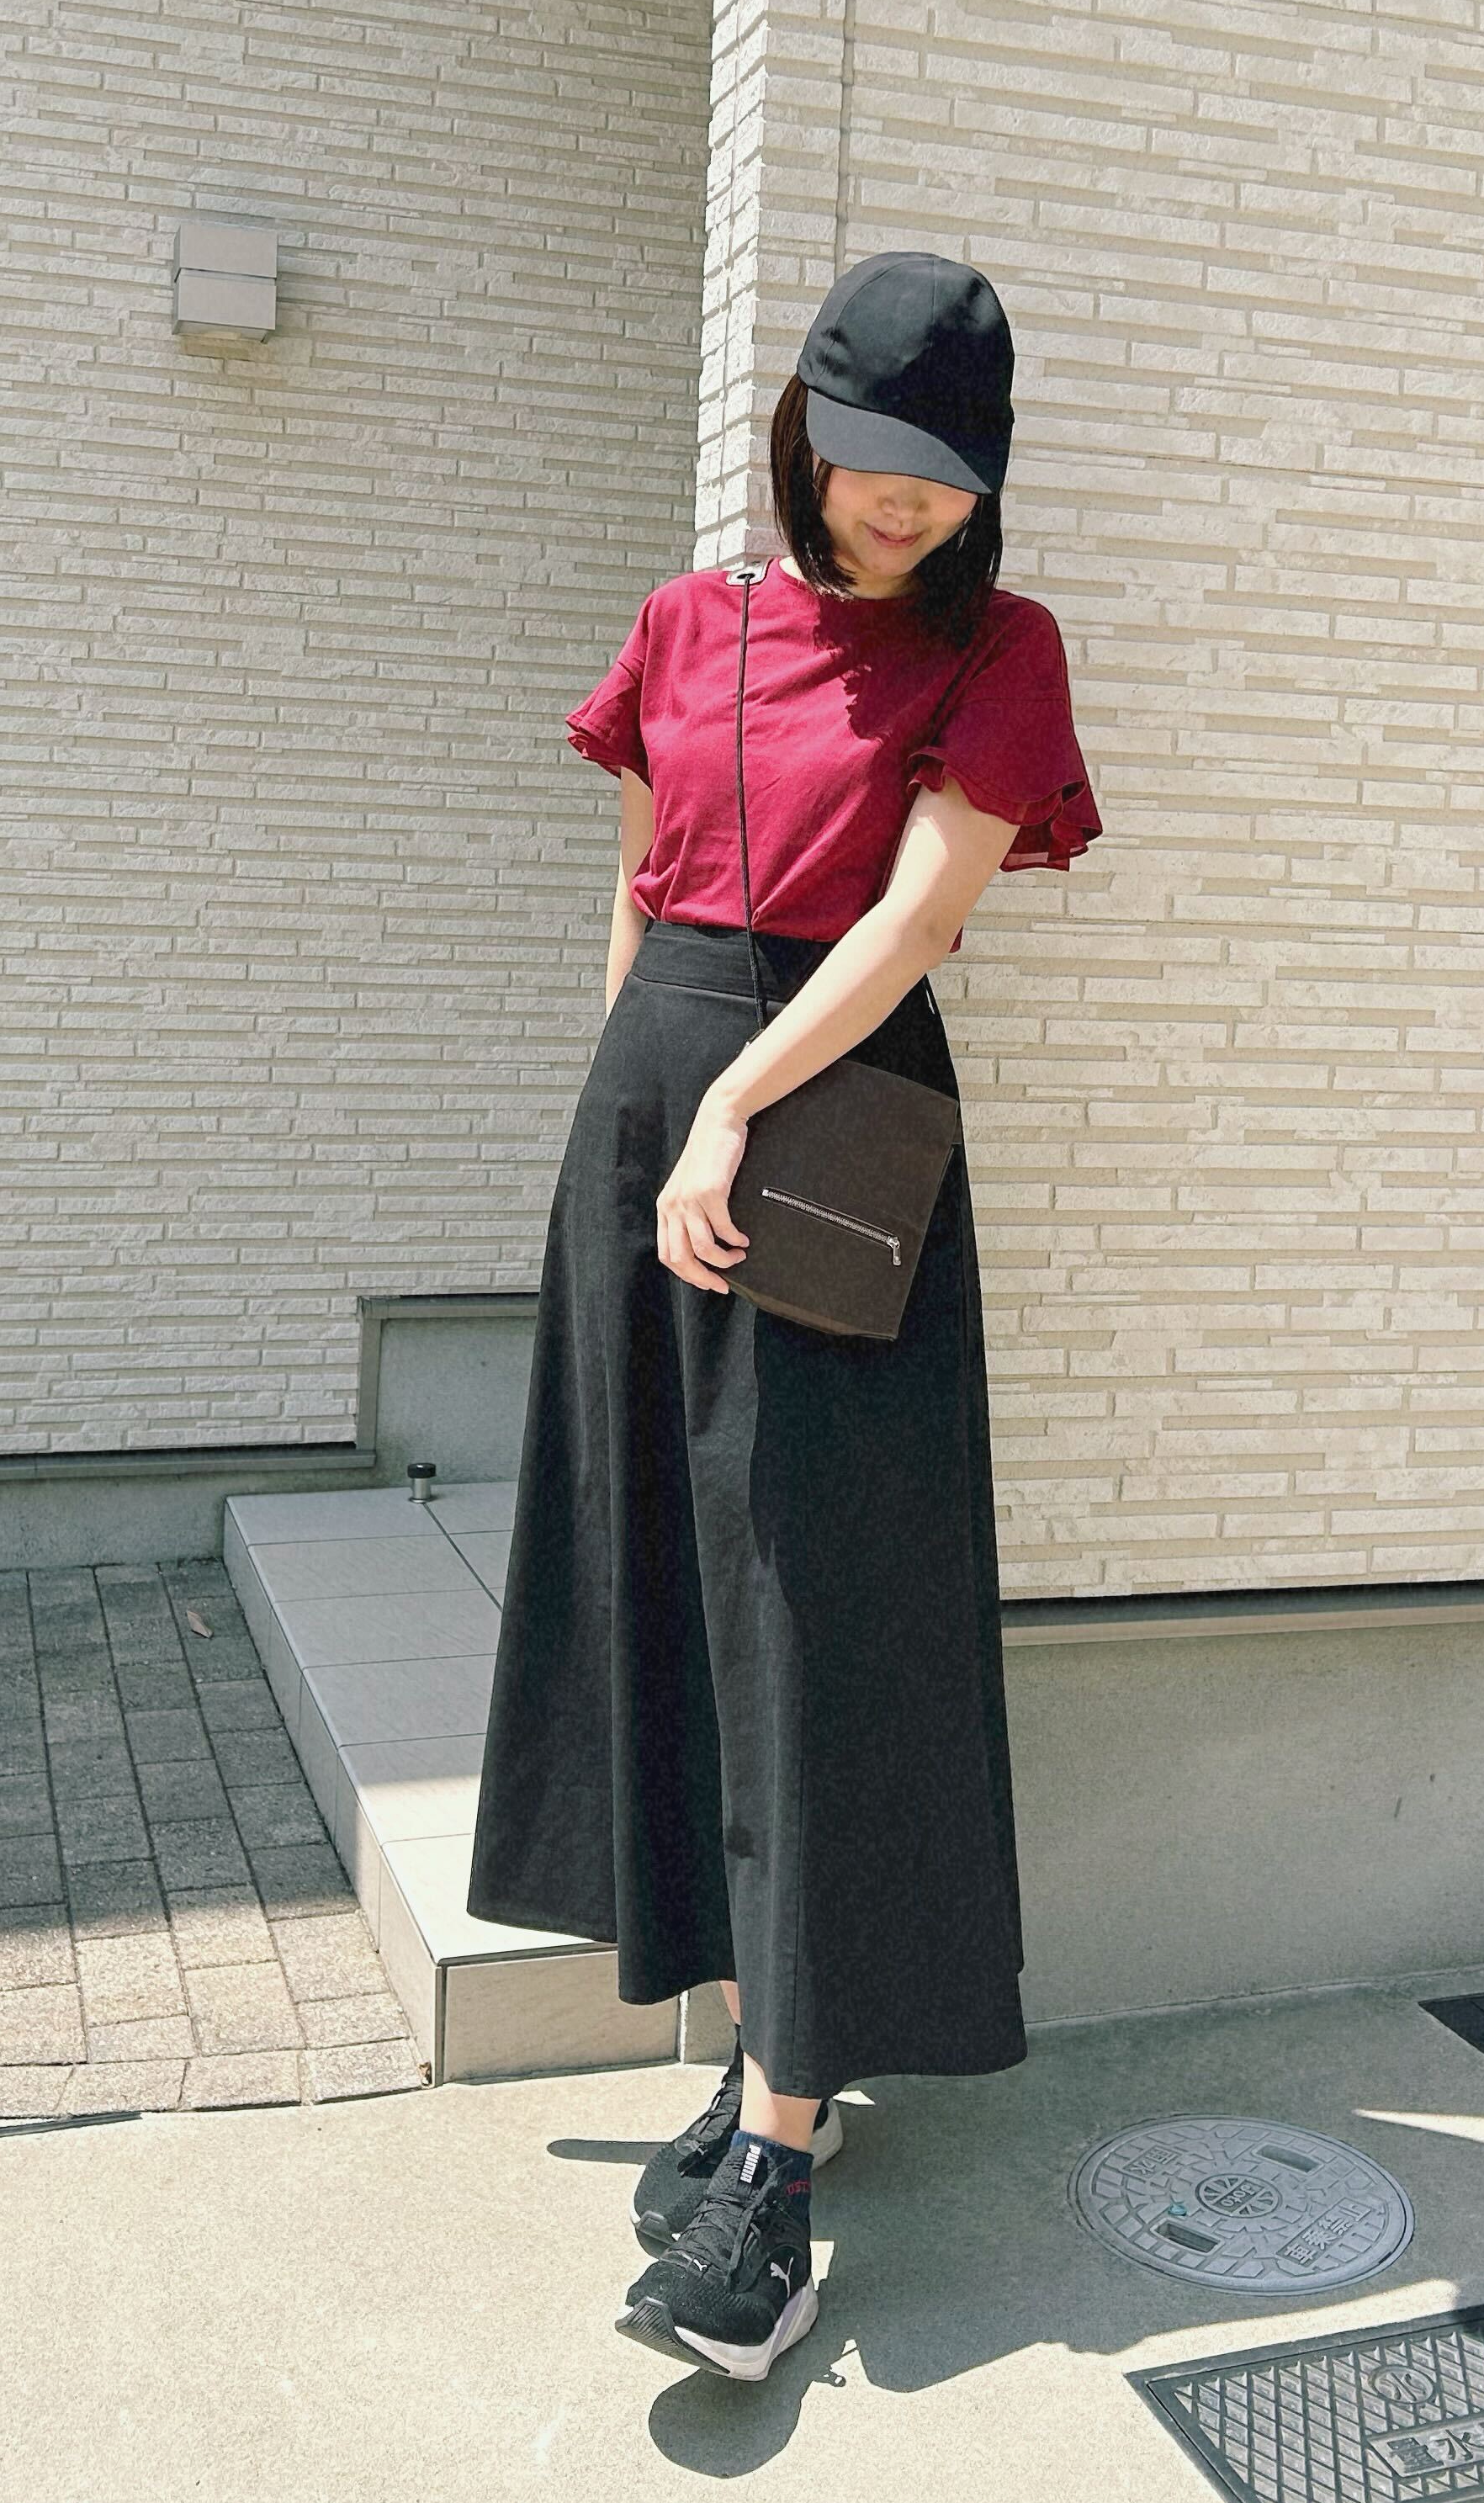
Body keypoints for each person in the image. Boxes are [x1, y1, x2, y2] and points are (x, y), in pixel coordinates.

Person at [466, 249, 1103, 2383]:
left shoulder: (999, 647)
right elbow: (642, 883)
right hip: (655, 1115)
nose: (897, 497)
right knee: (669, 1578)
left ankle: (780, 2160)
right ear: (801, 428)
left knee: (815, 1604)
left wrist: (732, 1102)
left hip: (831, 1121)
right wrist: (632, 1119)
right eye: (866, 451)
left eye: (942, 467)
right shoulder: (686, 622)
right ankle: (759, 2065)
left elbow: (918, 916)